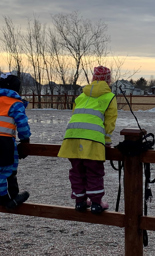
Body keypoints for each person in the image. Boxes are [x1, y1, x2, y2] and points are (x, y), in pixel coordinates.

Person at [58, 66, 117, 214]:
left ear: (93, 78)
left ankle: (80, 201)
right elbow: (109, 121)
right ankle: (96, 203)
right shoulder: (109, 97)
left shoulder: (81, 96)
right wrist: (107, 140)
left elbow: (75, 115)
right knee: (94, 170)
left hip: (71, 137)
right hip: (93, 139)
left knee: (77, 170)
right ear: (108, 80)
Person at [0, 73, 31, 209]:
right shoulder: (15, 103)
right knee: (7, 170)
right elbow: (22, 122)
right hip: (4, 140)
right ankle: (10, 198)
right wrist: (25, 139)